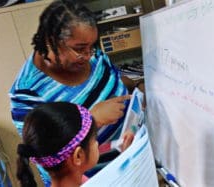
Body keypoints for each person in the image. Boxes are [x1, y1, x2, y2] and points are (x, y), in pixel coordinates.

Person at [9, 0, 143, 185]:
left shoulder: (93, 56)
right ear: (50, 41)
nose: (89, 55)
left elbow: (115, 80)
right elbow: (49, 157)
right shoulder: (27, 92)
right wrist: (93, 120)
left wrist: (136, 90)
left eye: (92, 46)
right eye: (80, 49)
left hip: (128, 162)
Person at [16, 102, 133, 187]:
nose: (97, 144)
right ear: (78, 156)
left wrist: (125, 156)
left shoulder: (80, 179)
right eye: (94, 140)